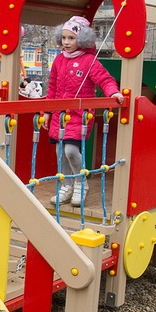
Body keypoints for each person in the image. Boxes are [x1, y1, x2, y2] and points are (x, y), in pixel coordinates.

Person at [44, 16, 125, 207]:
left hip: (79, 114)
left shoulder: (89, 60)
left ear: (82, 40)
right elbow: (53, 87)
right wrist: (47, 111)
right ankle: (67, 185)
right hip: (59, 114)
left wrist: (113, 92)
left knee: (71, 150)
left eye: (71, 38)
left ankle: (81, 183)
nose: (66, 42)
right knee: (60, 152)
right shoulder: (59, 60)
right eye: (63, 38)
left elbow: (104, 79)